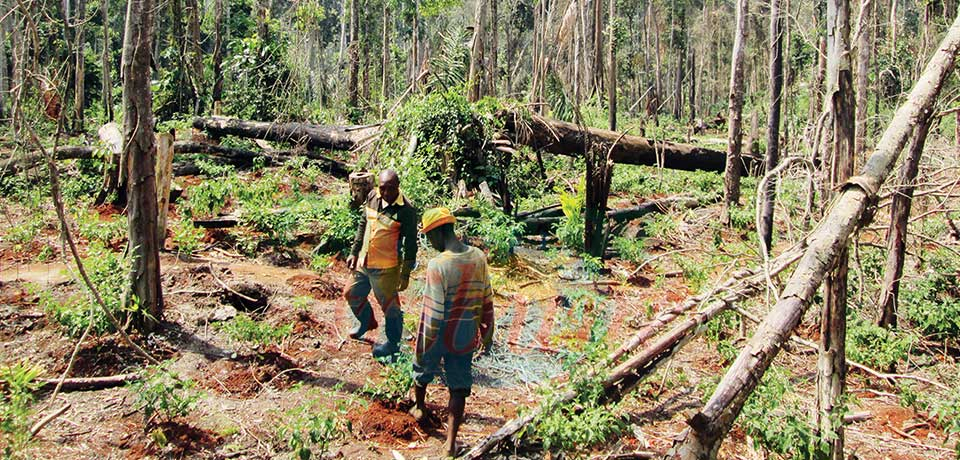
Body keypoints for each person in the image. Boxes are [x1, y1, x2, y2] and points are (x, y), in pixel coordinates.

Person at [410, 207, 495, 457]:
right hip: (465, 332)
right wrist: (487, 331)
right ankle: (450, 444)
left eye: (428, 236)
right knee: (458, 387)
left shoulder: (438, 265)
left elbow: (434, 313)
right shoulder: (478, 256)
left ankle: (419, 407)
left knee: (422, 369)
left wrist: (424, 343)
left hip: (440, 332)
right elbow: (486, 298)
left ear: (437, 233)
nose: (429, 241)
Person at [343, 169, 418, 359]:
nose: (385, 193)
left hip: (386, 267)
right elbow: (363, 224)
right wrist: (354, 252)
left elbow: (410, 244)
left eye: (390, 189)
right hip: (364, 260)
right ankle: (366, 321)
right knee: (351, 293)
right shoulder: (372, 196)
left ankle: (393, 344)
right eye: (382, 188)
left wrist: (405, 273)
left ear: (397, 187)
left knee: (390, 307)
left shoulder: (406, 210)